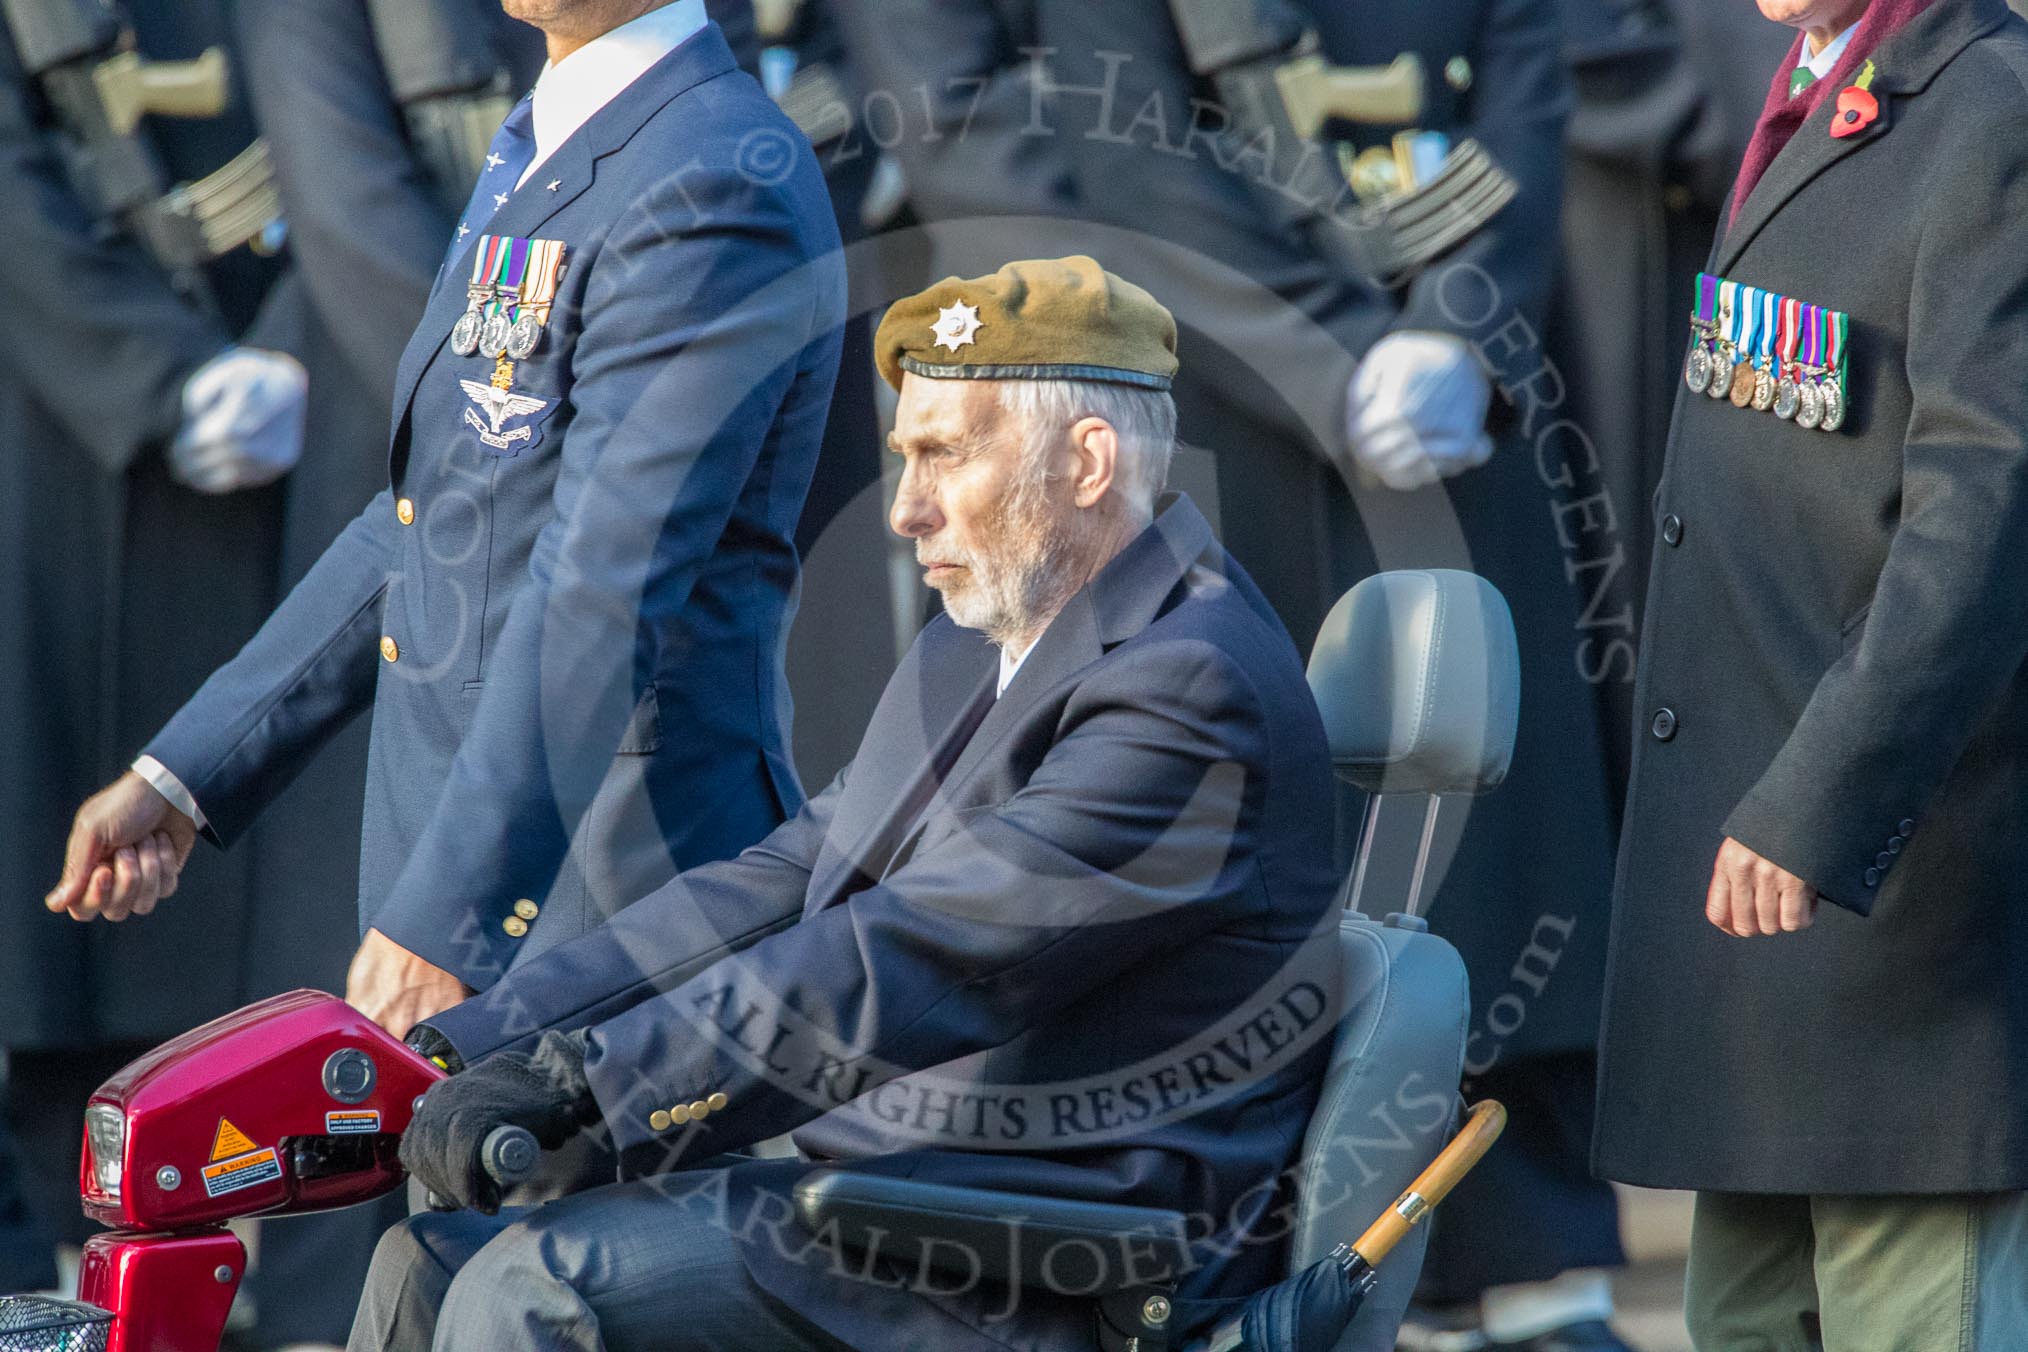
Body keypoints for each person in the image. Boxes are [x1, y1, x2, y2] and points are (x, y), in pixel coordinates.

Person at [349, 256, 1343, 1352]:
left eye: (943, 454)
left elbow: (916, 949)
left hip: (1055, 1251)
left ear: (1086, 461)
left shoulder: (1191, 687)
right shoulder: (986, 642)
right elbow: (791, 882)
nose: (908, 508)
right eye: (904, 457)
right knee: (428, 1258)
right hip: (910, 1197)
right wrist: (480, 1042)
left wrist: (592, 1080)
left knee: (537, 1284)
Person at [826, 4, 1628, 1347]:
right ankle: (1323, 1244)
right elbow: (1127, 132)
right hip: (1214, 372)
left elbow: (1519, 86)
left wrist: (1459, 328)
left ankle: (1532, 1234)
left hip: (1447, 364)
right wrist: (1325, 357)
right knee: (1246, 838)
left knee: (1503, 822)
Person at [43, 0, 846, 1043]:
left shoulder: (709, 172)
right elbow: (437, 507)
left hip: (610, 890)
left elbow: (606, 579)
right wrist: (192, 770)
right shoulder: (554, 136)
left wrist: (452, 916)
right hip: (486, 875)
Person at [1594, 0, 2028, 1345]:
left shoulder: (1989, 106)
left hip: (1886, 898)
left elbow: (1987, 508)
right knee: (1743, 1322)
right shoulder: (1821, 77)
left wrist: (1825, 795)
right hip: (1767, 918)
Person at [0, 0, 310, 1286]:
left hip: (313, 390)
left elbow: (365, 144)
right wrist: (148, 374)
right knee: (52, 884)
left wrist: (303, 351)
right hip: (46, 408)